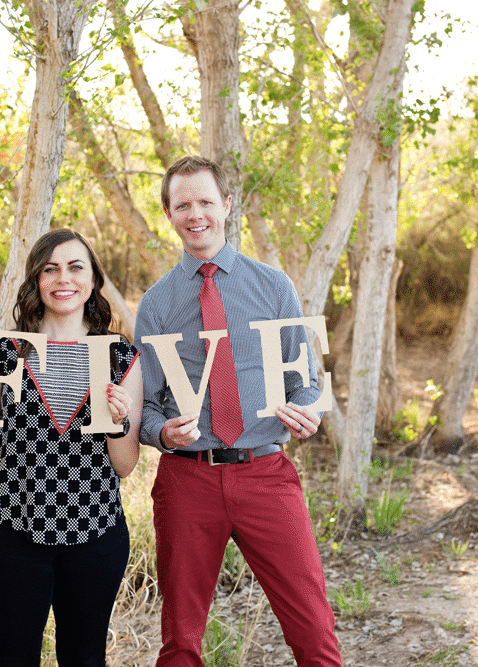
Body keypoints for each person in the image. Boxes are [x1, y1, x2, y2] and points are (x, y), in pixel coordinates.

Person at [135, 155, 343, 666]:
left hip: (266, 475)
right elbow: (144, 405)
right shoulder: (157, 304)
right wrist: (164, 433)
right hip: (188, 482)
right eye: (183, 204)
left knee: (314, 629)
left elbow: (305, 381)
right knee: (180, 641)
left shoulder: (273, 287)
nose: (195, 213)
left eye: (205, 201)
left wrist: (308, 410)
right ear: (168, 213)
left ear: (226, 205)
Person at [0, 228, 142, 667]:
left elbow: (125, 465)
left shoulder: (120, 356)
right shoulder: (6, 352)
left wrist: (118, 423)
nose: (64, 278)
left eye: (76, 267)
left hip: (95, 537)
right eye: (50, 268)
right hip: (12, 536)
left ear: (93, 279)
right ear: (37, 281)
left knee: (84, 659)